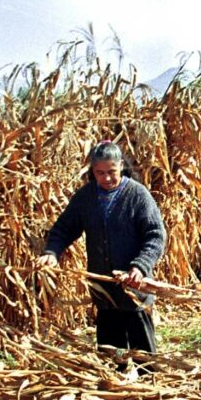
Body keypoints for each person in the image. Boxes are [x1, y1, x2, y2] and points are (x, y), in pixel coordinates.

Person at [37, 141, 166, 353]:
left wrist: (140, 267)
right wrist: (52, 253)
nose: (106, 178)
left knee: (144, 357)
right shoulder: (85, 198)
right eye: (100, 173)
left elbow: (155, 235)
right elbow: (63, 229)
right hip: (103, 290)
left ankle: (147, 379)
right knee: (110, 355)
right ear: (92, 171)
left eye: (111, 172)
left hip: (133, 288)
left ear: (121, 166)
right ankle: (115, 381)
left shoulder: (137, 195)